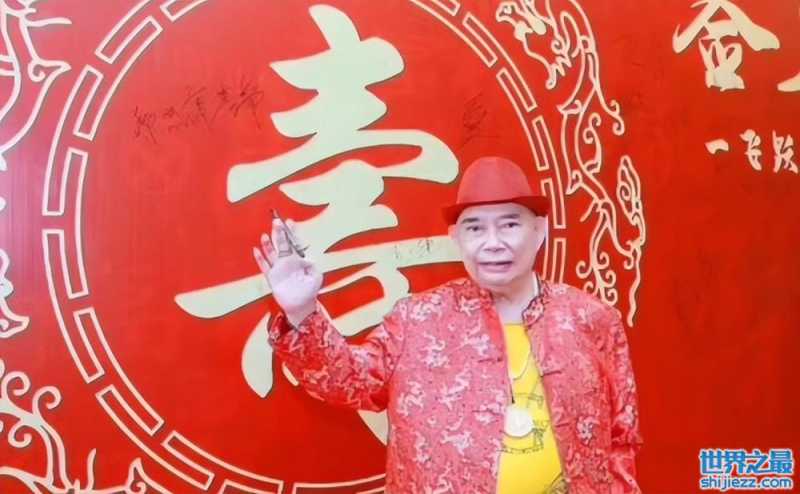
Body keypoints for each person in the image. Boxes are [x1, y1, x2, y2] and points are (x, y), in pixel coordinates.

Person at [253, 156, 643, 493]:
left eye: (509, 225)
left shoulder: (592, 319)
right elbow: (346, 381)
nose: (492, 243)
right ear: (455, 238)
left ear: (540, 231)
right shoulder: (417, 320)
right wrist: (302, 311)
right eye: (475, 228)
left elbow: (621, 438)